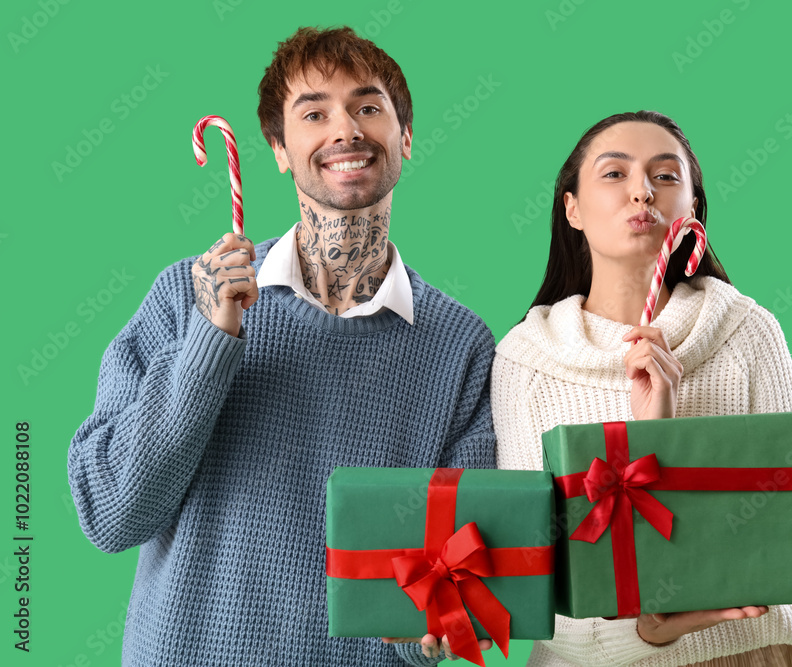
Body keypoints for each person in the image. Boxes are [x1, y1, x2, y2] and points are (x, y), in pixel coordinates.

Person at [68, 26, 495, 666]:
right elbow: (112, 514)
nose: (345, 130)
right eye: (314, 114)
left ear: (405, 137)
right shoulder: (184, 297)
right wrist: (209, 340)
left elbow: (459, 577)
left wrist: (427, 635)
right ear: (278, 149)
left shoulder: (461, 346)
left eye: (368, 107)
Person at [491, 110, 792, 666]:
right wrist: (644, 631)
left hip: (748, 652)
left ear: (691, 210)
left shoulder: (748, 331)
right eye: (614, 174)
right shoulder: (525, 360)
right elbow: (534, 578)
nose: (642, 191)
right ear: (572, 208)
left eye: (665, 176)